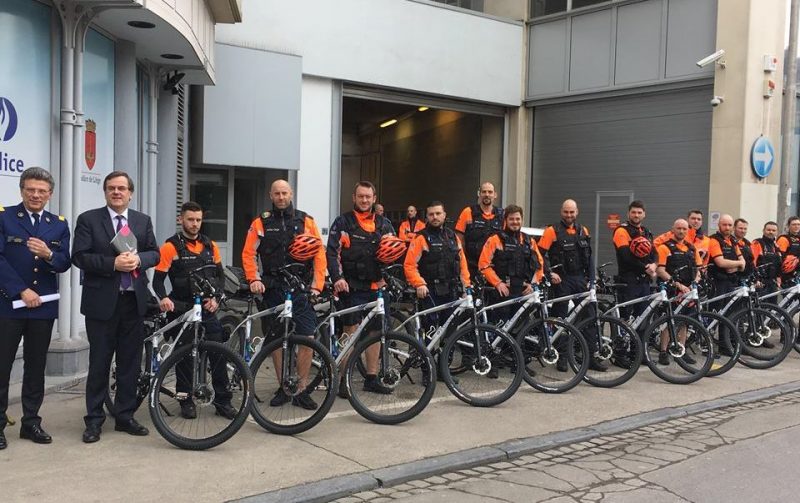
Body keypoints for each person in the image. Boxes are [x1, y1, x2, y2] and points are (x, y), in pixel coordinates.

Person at [72, 171, 160, 443]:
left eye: (122, 188)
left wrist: (139, 261)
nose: (117, 192)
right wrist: (113, 264)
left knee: (129, 364)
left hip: (133, 304)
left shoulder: (141, 221)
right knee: (99, 363)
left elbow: (154, 253)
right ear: (105, 192)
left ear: (130, 193)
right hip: (102, 305)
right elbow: (79, 256)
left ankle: (125, 416)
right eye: (111, 188)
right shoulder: (89, 220)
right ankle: (94, 421)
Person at [0, 168, 71, 450]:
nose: (36, 195)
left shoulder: (59, 224)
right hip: (9, 305)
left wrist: (49, 254)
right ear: (22, 190)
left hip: (43, 308)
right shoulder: (5, 217)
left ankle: (31, 422)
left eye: (42, 191)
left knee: (36, 366)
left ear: (50, 194)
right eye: (31, 189)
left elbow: (65, 262)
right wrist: (21, 289)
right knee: (2, 365)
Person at [242, 179, 325, 410]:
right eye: (277, 193)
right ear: (270, 195)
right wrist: (254, 279)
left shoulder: (306, 220)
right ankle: (283, 387)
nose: (281, 197)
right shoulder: (261, 222)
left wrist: (317, 286)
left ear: (291, 194)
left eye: (284, 193)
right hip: (273, 288)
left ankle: (300, 389)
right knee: (276, 341)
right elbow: (248, 254)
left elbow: (319, 254)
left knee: (307, 338)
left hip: (300, 289)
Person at [151, 201, 236, 420]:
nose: (195, 224)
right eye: (190, 219)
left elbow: (220, 277)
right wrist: (164, 299)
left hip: (207, 310)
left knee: (218, 353)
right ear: (181, 220)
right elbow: (158, 281)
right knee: (185, 356)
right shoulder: (170, 247)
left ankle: (223, 401)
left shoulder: (210, 246)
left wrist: (216, 298)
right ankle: (186, 400)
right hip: (182, 311)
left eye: (198, 220)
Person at [327, 181, 397, 398]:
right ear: (354, 198)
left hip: (377, 287)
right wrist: (337, 278)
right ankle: (342, 380)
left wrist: (390, 278)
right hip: (352, 287)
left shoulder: (384, 224)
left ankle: (371, 378)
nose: (364, 200)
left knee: (376, 333)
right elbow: (332, 252)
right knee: (351, 331)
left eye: (368, 196)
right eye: (360, 196)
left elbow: (394, 253)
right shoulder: (343, 222)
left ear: (374, 198)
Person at [537, 199, 606, 371]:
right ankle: (562, 357)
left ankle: (590, 358)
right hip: (562, 281)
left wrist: (592, 279)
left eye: (572, 212)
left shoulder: (583, 230)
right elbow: (538, 254)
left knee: (589, 317)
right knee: (561, 319)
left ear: (577, 212)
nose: (569, 215)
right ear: (561, 212)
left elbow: (589, 258)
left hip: (580, 280)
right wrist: (548, 273)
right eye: (566, 212)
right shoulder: (552, 231)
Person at [405, 201, 471, 330]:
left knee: (450, 332)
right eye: (431, 214)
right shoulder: (421, 238)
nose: (434, 217)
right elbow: (409, 265)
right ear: (427, 217)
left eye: (438, 213)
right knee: (430, 331)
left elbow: (462, 264)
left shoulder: (452, 236)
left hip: (451, 290)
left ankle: (445, 350)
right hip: (429, 292)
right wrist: (419, 283)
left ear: (444, 215)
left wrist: (466, 287)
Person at [478, 204, 544, 323]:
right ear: (505, 220)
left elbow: (539, 265)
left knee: (521, 331)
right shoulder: (495, 239)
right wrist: (498, 283)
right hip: (502, 293)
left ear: (522, 220)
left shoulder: (529, 241)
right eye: (511, 219)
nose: (515, 222)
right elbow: (483, 265)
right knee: (500, 333)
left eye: (518, 219)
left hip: (523, 293)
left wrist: (533, 285)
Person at [655, 219, 702, 365]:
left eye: (684, 229)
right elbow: (660, 270)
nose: (681, 231)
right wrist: (677, 285)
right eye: (679, 228)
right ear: (673, 229)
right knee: (670, 321)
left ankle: (681, 350)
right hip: (672, 290)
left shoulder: (691, 248)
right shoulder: (664, 247)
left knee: (685, 323)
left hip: (689, 291)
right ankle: (663, 352)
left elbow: (698, 270)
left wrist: (695, 281)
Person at [612, 201, 656, 320]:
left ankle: (641, 339)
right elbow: (626, 257)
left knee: (643, 319)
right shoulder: (621, 230)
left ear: (644, 214)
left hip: (645, 282)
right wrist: (645, 268)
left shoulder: (646, 232)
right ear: (628, 214)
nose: (636, 215)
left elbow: (654, 253)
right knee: (625, 319)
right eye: (633, 212)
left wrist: (654, 265)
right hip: (628, 281)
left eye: (639, 212)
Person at [455, 182, 503, 281]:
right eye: (484, 192)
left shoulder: (502, 215)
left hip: (495, 268)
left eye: (490, 192)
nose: (487, 194)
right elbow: (459, 240)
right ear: (479, 194)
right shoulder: (468, 212)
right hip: (472, 267)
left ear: (495, 195)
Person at [751, 221, 782, 294]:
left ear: (777, 232)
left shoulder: (776, 246)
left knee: (773, 305)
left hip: (773, 282)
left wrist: (778, 278)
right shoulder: (757, 243)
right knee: (761, 305)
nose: (771, 232)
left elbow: (778, 263)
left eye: (773, 230)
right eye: (768, 230)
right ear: (763, 230)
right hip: (760, 283)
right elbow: (752, 262)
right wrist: (756, 279)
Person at [776, 216, 800, 284]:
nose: (796, 226)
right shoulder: (783, 239)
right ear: (788, 226)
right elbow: (779, 258)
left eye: (798, 224)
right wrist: (778, 276)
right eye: (794, 224)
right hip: (787, 275)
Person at [733, 218, 755, 282]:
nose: (743, 231)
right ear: (734, 228)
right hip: (734, 279)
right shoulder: (729, 242)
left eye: (745, 229)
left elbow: (751, 261)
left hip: (746, 279)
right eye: (740, 228)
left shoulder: (747, 243)